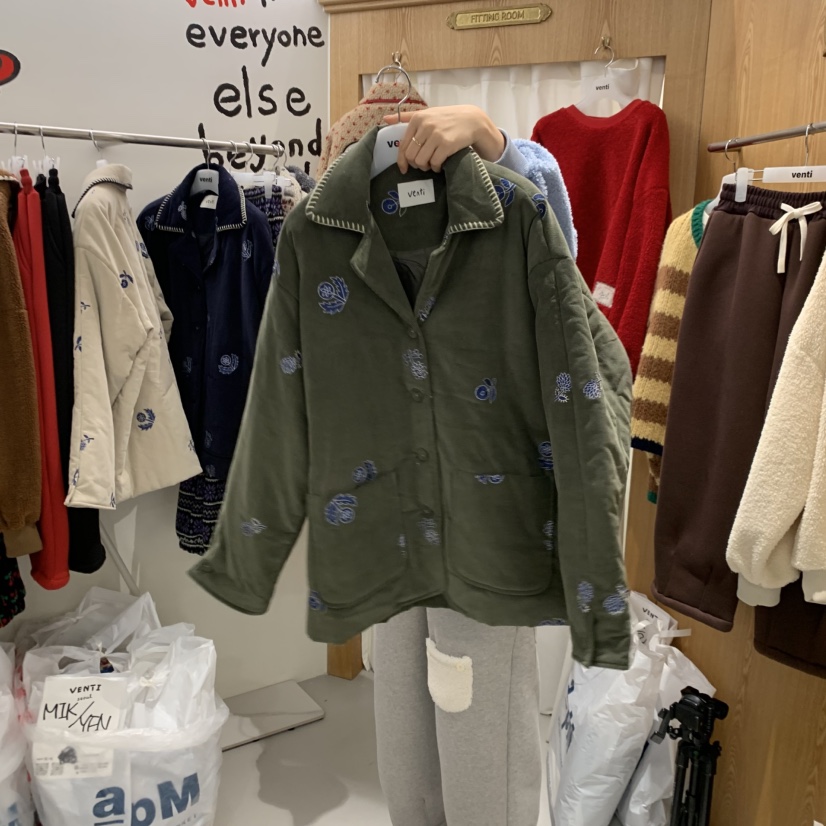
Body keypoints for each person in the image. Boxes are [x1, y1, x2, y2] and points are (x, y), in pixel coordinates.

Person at [372, 104, 559, 826]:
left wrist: (492, 139)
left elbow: (558, 263)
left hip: (486, 508)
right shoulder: (345, 217)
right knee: (403, 717)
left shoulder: (502, 197)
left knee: (479, 715)